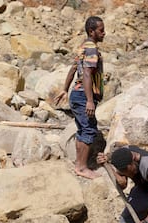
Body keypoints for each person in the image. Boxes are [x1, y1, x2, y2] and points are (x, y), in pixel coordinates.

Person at [55, 16, 105, 179]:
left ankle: (79, 164)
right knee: (88, 129)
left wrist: (65, 89)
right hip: (84, 95)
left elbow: (73, 69)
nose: (104, 33)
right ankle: (82, 167)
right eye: (101, 30)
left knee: (83, 128)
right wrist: (90, 100)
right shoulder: (91, 49)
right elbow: (88, 74)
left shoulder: (84, 46)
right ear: (92, 31)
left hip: (78, 94)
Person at [97, 145, 148, 223]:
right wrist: (108, 167)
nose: (130, 175)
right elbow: (123, 185)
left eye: (131, 172)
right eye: (126, 173)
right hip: (145, 187)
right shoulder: (121, 157)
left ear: (133, 159)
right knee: (125, 220)